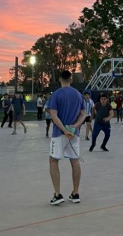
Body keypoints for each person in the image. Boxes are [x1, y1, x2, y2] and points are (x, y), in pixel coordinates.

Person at [46, 70, 86, 205]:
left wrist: (64, 130)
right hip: (74, 134)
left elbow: (53, 114)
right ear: (71, 79)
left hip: (59, 134)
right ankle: (75, 193)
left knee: (53, 161)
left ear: (59, 79)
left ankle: (57, 194)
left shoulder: (56, 94)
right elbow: (83, 114)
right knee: (75, 161)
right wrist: (74, 127)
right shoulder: (78, 94)